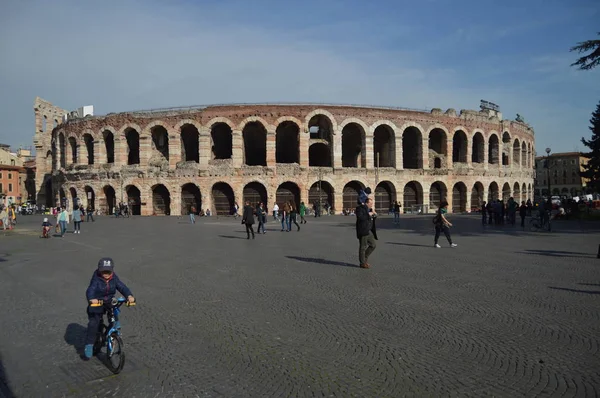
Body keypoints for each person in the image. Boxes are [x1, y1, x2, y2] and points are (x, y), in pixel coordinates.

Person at [84, 258, 135, 359]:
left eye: (108, 271)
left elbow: (122, 286)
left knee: (115, 309)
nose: (106, 274)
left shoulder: (114, 278)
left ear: (112, 270)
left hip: (108, 301)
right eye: (103, 271)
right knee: (94, 323)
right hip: (97, 302)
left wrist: (129, 296)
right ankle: (89, 344)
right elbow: (90, 290)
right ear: (99, 270)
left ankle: (115, 325)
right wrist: (91, 299)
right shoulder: (96, 279)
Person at [355, 189, 377, 269]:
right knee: (363, 247)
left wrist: (374, 215)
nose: (372, 205)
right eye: (371, 204)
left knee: (373, 245)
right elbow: (361, 217)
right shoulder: (359, 208)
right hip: (363, 230)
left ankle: (364, 258)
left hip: (369, 230)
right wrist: (369, 214)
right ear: (367, 203)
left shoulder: (369, 209)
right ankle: (362, 263)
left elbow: (371, 218)